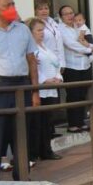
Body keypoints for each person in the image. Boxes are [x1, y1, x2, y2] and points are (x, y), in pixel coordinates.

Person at [0, 0, 39, 180]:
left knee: (22, 134)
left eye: (13, 4)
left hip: (22, 86)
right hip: (1, 86)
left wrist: (35, 92)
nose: (12, 9)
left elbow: (32, 60)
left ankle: (22, 177)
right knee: (0, 133)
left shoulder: (22, 29)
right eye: (7, 5)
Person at [26, 18, 62, 162]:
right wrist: (44, 80)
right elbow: (33, 69)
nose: (42, 33)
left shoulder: (46, 47)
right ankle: (33, 153)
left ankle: (46, 150)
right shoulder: (31, 49)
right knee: (36, 123)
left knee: (47, 122)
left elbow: (56, 64)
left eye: (43, 29)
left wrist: (58, 77)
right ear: (31, 32)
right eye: (39, 30)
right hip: (40, 90)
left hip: (51, 89)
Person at [58, 5, 93, 133]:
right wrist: (89, 49)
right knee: (73, 95)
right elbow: (71, 44)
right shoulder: (60, 29)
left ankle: (81, 122)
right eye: (66, 14)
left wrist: (91, 46)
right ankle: (73, 124)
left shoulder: (78, 26)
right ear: (61, 17)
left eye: (71, 13)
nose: (70, 16)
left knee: (82, 94)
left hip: (84, 65)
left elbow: (90, 39)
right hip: (71, 66)